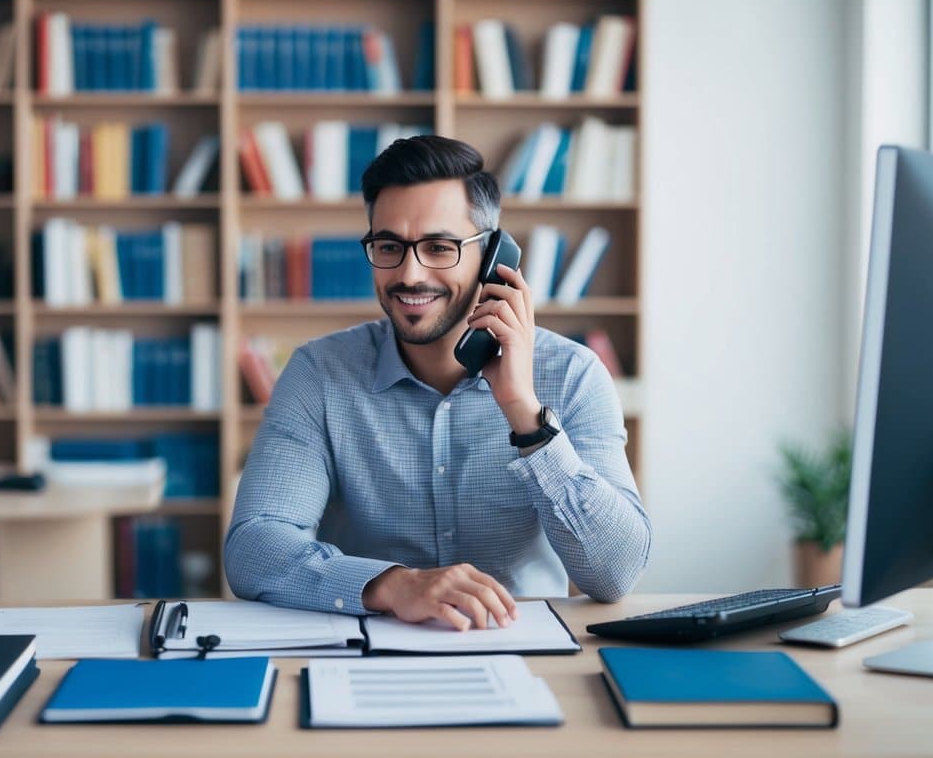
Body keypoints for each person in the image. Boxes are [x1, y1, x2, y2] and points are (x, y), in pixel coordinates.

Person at [224, 135, 650, 631]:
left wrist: (524, 413)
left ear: (495, 259)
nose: (409, 273)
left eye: (439, 247)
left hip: (525, 651)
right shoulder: (320, 375)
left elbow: (615, 575)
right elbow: (253, 547)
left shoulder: (572, 376)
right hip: (370, 652)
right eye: (389, 247)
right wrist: (393, 585)